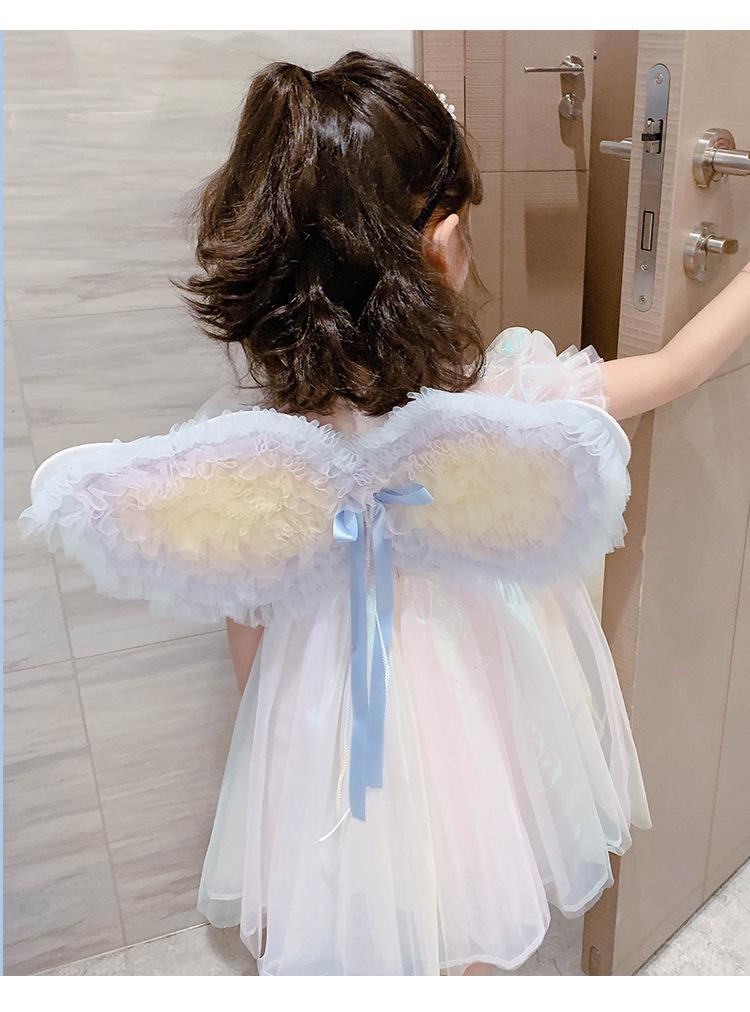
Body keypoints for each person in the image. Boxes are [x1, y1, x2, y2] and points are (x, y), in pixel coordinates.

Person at [20, 52, 750, 976]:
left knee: (348, 891)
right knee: (472, 879)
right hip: (465, 690)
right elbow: (675, 370)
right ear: (441, 244)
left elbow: (248, 613)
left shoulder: (265, 444)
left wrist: (278, 732)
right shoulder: (493, 404)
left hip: (318, 696)